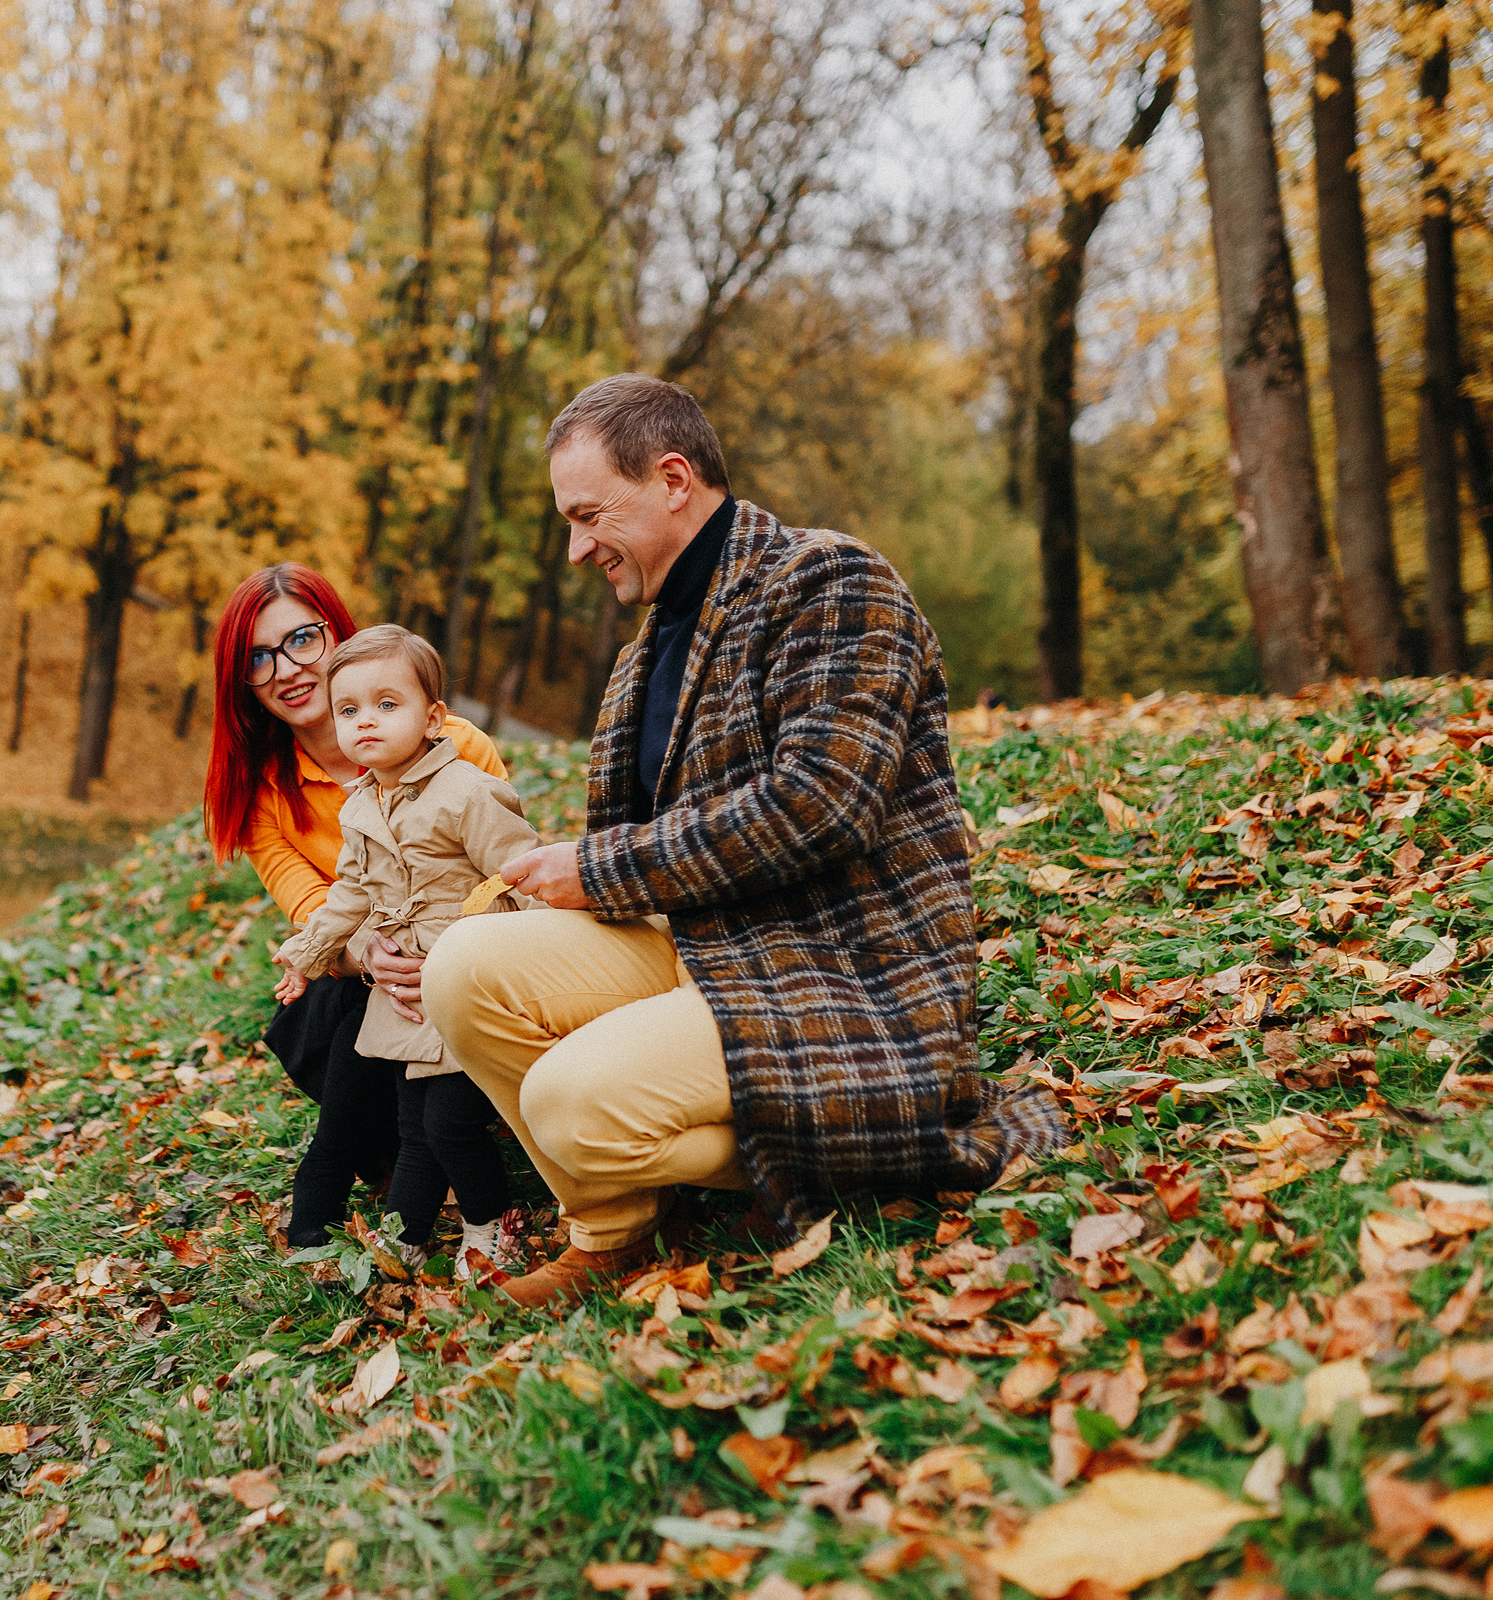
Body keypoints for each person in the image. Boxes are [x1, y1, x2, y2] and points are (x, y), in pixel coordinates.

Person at [422, 373, 1064, 1309]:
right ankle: (615, 1231)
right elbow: (655, 840)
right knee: (463, 965)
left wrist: (599, 869)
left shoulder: (831, 581)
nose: (574, 549)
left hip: (838, 971)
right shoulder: (652, 642)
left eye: (589, 515)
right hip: (701, 948)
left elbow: (821, 802)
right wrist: (552, 883)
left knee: (569, 1101)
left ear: (673, 479)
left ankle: (847, 1161)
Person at [203, 564, 512, 1247]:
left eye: (302, 640)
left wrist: (432, 955)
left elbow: (500, 874)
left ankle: (400, 1172)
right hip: (362, 970)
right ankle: (362, 1167)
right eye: (258, 658)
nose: (285, 669)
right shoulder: (264, 795)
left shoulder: (455, 746)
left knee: (386, 1012)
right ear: (241, 681)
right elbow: (313, 903)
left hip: (465, 950)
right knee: (328, 1005)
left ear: (338, 633)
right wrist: (372, 955)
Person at [270, 626, 536, 1280]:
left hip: (465, 974)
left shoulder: (468, 792)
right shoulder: (362, 807)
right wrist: (306, 955)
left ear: (433, 718)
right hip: (402, 995)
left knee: (451, 1121)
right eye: (349, 710)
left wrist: (532, 962)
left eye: (388, 705)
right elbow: (349, 895)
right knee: (413, 1120)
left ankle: (493, 1225)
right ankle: (408, 1234)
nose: (366, 722)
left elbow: (522, 875)